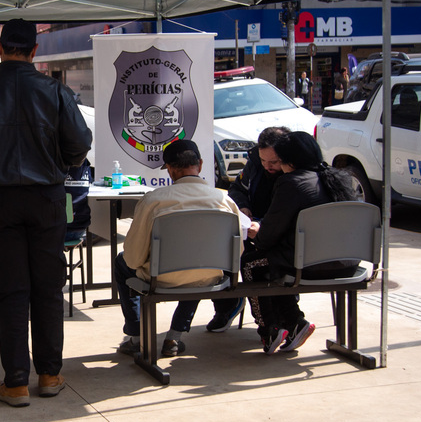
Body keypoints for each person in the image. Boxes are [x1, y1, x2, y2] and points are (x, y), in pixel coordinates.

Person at [0, 18, 92, 408]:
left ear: (0, 48)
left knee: (10, 289)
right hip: (46, 197)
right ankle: (50, 374)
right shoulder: (54, 90)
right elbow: (80, 143)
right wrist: (58, 162)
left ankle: (16, 382)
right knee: (47, 287)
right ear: (34, 50)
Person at [113, 140, 242, 358]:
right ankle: (174, 336)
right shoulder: (225, 200)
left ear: (170, 169)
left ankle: (136, 336)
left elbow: (134, 257)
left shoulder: (154, 200)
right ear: (200, 164)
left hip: (161, 278)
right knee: (198, 264)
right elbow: (236, 253)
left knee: (121, 261)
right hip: (209, 276)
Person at [241, 131, 357, 355]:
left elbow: (266, 238)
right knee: (274, 261)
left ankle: (270, 330)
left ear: (289, 161)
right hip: (348, 262)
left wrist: (255, 231)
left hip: (310, 265)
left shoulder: (291, 183)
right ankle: (294, 322)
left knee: (251, 263)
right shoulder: (337, 178)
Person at [202, 126, 291, 333]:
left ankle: (280, 318)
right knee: (222, 246)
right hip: (251, 226)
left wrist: (265, 226)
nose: (267, 166)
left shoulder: (295, 175)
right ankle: (227, 305)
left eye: (274, 162)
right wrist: (243, 206)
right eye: (263, 160)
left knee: (252, 261)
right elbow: (237, 188)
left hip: (279, 236)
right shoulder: (254, 164)